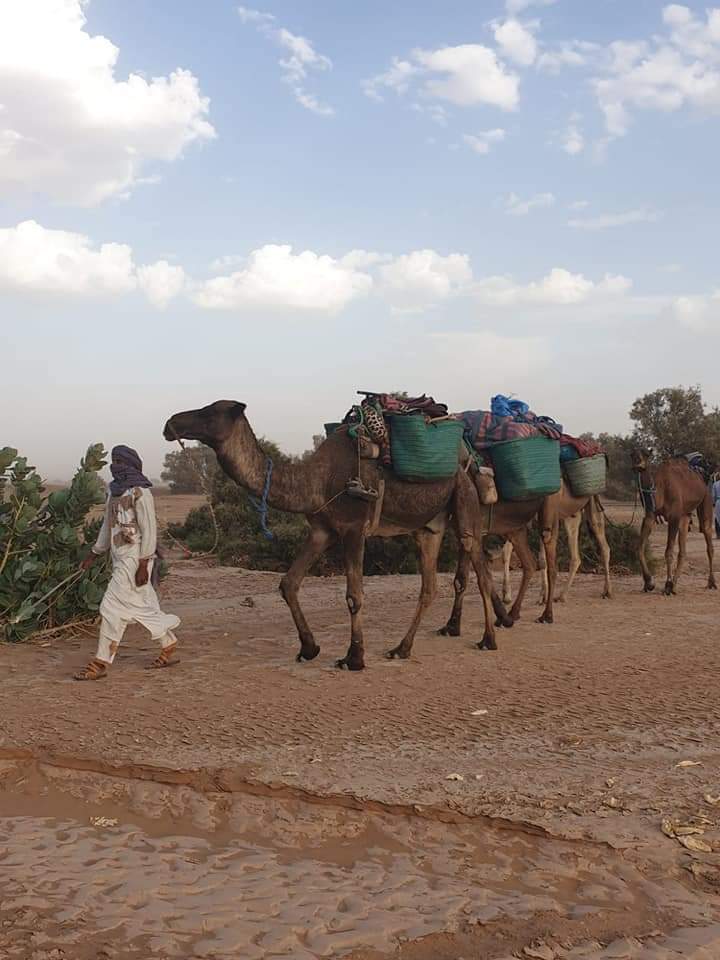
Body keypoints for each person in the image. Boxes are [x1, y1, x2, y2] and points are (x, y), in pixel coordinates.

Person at [74, 446, 180, 680]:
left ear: (131, 463)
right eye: (113, 460)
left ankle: (101, 662)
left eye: (120, 460)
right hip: (118, 557)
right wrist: (94, 552)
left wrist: (143, 564)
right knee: (142, 606)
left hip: (135, 558)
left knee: (110, 606)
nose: (116, 464)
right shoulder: (113, 492)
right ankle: (169, 643)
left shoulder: (141, 492)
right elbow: (107, 525)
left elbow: (149, 530)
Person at [713, 473, 720, 539]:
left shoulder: (715, 484)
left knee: (717, 518)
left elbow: (713, 496)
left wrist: (714, 503)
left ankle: (718, 534)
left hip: (718, 501)